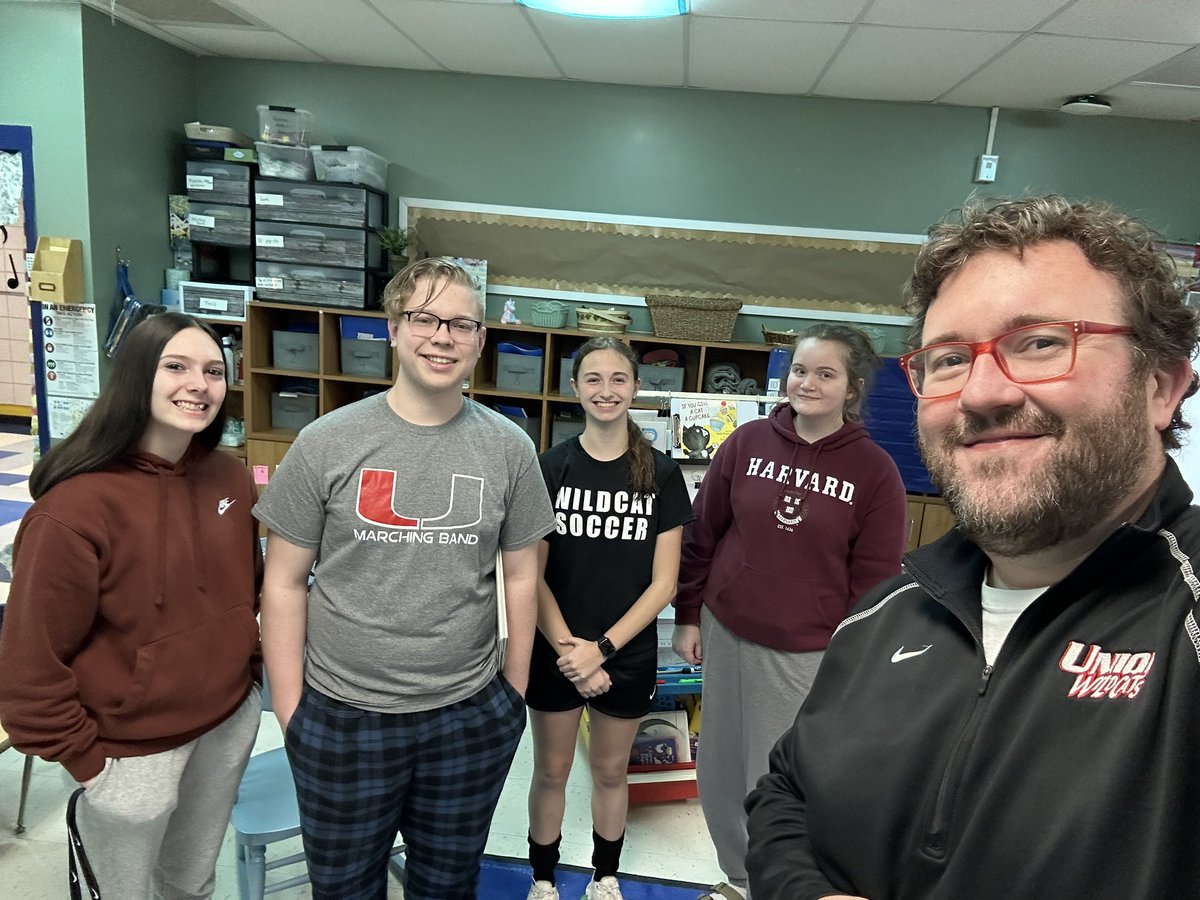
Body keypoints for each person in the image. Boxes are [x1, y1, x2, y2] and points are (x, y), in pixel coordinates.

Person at [744, 195, 1200, 899]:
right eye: (950, 359)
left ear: (1162, 385)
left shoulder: (1186, 623)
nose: (981, 394)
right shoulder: (886, 615)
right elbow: (786, 794)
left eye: (1042, 342)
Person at [255, 257, 555, 900]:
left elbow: (522, 573)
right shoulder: (324, 442)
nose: (442, 336)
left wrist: (513, 695)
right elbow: (281, 584)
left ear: (480, 341)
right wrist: (292, 715)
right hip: (340, 716)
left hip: (468, 716)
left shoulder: (509, 449)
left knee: (446, 887)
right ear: (392, 329)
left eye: (461, 324)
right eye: (424, 318)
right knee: (343, 890)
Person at [0, 312, 262, 898]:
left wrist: (250, 678)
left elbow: (247, 594)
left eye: (214, 371)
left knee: (192, 884)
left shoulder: (229, 479)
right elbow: (28, 669)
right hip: (129, 752)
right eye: (176, 366)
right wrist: (92, 768)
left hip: (224, 727)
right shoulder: (74, 510)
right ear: (136, 376)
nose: (199, 384)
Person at [673, 323, 908, 900]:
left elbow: (875, 585)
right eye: (800, 370)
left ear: (851, 388)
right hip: (726, 631)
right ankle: (739, 878)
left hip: (807, 652)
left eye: (826, 374)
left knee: (771, 781)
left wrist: (853, 664)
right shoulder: (747, 441)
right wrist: (687, 615)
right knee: (719, 771)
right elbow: (704, 533)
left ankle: (772, 884)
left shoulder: (875, 472)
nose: (808, 383)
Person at [525, 337, 693, 900]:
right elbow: (534, 576)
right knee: (549, 772)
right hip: (555, 651)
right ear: (575, 388)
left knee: (610, 772)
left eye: (618, 379)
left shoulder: (664, 476)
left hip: (625, 653)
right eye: (593, 379)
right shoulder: (549, 467)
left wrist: (602, 649)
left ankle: (605, 875)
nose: (606, 390)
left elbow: (664, 584)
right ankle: (543, 878)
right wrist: (573, 653)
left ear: (636, 388)